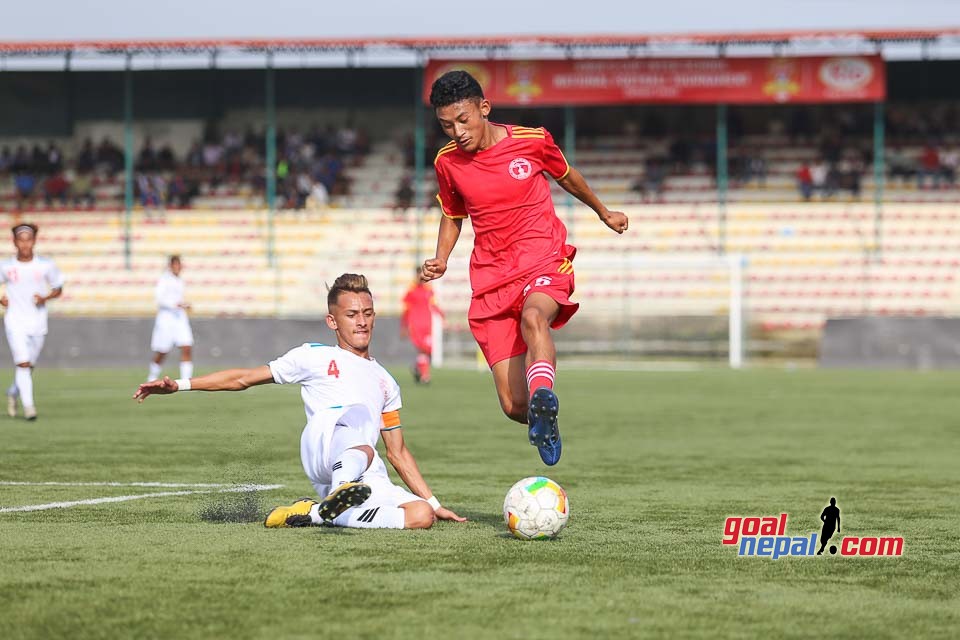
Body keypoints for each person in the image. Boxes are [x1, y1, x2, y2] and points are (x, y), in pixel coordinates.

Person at [133, 273, 466, 530]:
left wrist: (434, 502)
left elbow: (398, 452)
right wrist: (179, 384)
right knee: (358, 429)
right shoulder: (313, 357)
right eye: (352, 314)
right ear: (332, 321)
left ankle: (322, 514)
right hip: (324, 450)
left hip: (369, 475)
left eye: (367, 313)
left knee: (419, 517)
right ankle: (340, 490)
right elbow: (244, 378)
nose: (361, 321)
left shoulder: (386, 382)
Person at [421, 70, 628, 466]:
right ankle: (541, 414)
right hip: (492, 278)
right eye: (447, 125)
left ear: (484, 108)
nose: (457, 132)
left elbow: (567, 176)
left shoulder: (531, 141)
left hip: (543, 258)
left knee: (536, 318)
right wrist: (442, 259)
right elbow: (452, 214)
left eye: (464, 120)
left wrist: (603, 212)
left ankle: (544, 395)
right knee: (514, 405)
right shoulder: (447, 163)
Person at [0, 223, 64, 420]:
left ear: (34, 241)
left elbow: (58, 287)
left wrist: (45, 298)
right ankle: (29, 408)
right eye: (21, 240)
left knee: (29, 365)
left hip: (37, 322)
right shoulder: (6, 266)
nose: (25, 244)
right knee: (23, 363)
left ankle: (13, 392)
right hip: (15, 321)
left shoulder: (45, 264)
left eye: (28, 240)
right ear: (15, 242)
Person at [147, 255, 194, 383]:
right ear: (171, 266)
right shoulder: (164, 280)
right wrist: (175, 304)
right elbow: (159, 299)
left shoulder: (180, 280)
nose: (179, 268)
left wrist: (184, 305)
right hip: (166, 319)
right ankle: (152, 376)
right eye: (176, 265)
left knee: (186, 346)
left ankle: (186, 381)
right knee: (163, 351)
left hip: (179, 318)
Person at [401, 267, 443, 384]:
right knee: (423, 349)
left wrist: (442, 316)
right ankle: (425, 376)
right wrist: (404, 327)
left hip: (427, 325)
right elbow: (406, 310)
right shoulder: (411, 291)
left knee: (427, 350)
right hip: (415, 325)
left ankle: (417, 367)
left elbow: (434, 305)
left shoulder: (429, 290)